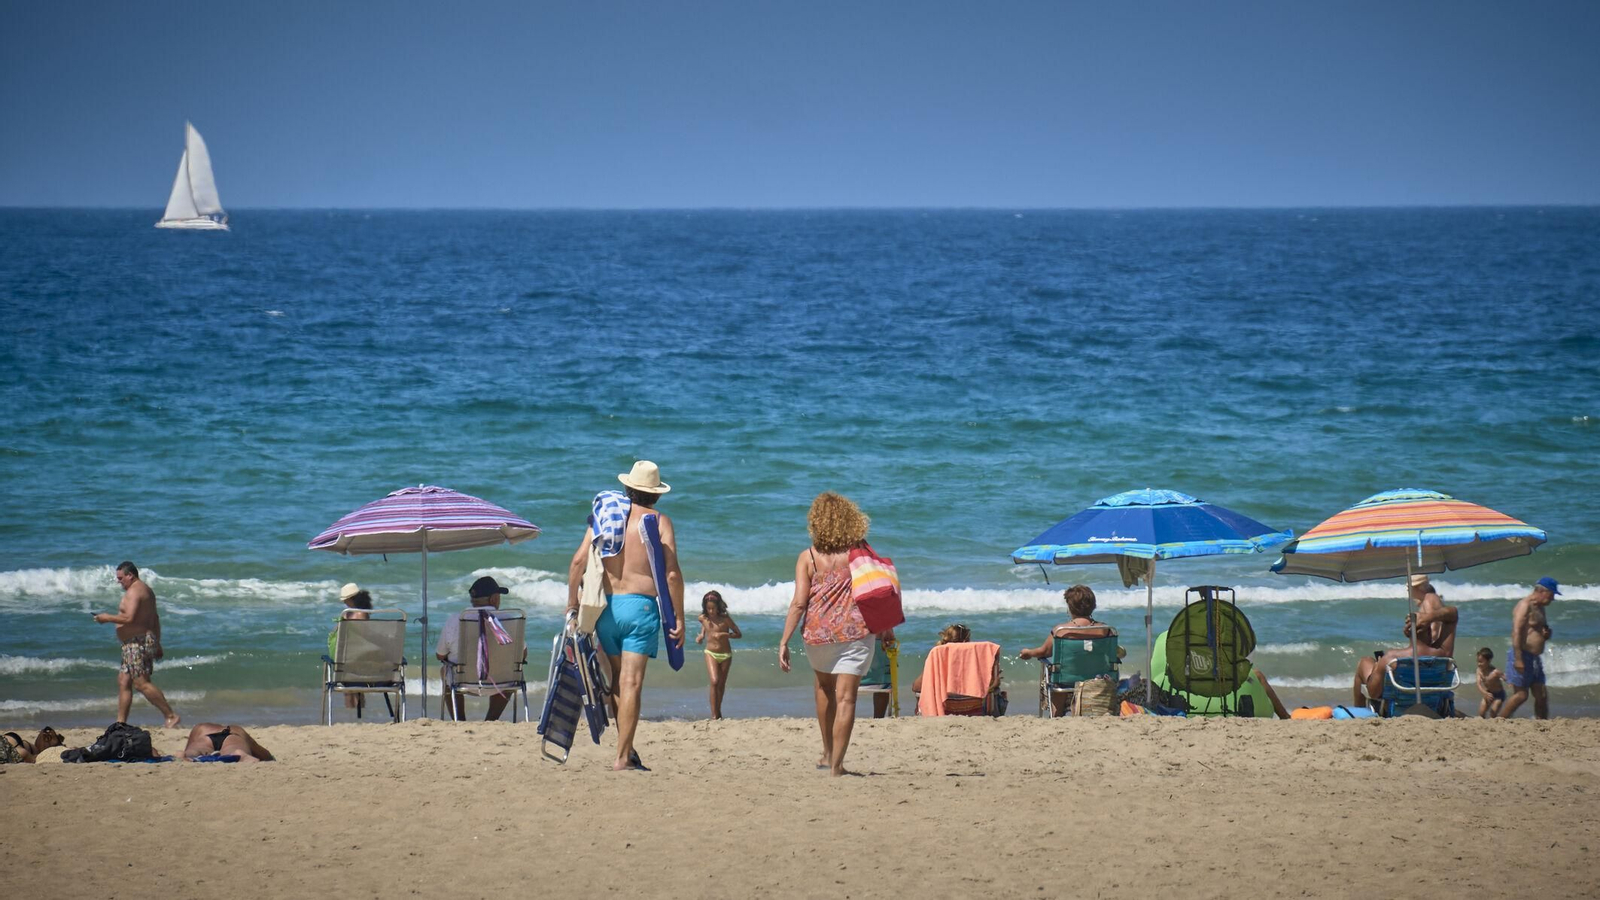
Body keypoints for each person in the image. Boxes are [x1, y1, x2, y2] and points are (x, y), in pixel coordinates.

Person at [565, 461, 685, 772]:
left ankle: (626, 749)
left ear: (628, 488)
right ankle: (621, 757)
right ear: (656, 494)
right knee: (632, 682)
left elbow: (577, 562)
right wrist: (679, 617)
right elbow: (672, 575)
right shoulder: (659, 521)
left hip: (606, 609)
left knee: (619, 680)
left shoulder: (606, 518)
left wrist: (572, 604)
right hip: (640, 608)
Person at [779, 491, 880, 777]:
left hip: (817, 635)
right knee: (847, 699)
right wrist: (887, 627)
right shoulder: (859, 552)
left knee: (824, 688)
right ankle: (837, 766)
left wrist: (784, 640)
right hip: (855, 634)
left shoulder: (808, 557)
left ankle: (827, 752)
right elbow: (877, 590)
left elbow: (799, 603)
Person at [92, 561, 180, 728]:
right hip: (137, 642)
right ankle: (120, 723)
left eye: (121, 578)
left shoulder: (134, 591)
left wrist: (106, 618)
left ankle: (171, 715)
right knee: (124, 681)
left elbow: (129, 618)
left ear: (130, 575)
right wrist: (157, 642)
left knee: (141, 683)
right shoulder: (145, 590)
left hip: (137, 643)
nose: (119, 582)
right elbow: (154, 618)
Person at [1352, 574, 1457, 708]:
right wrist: (1430, 617)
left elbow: (1373, 693)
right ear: (1429, 629)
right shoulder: (1444, 654)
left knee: (1365, 662)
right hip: (1434, 705)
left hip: (1399, 707)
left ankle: (1358, 710)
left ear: (1406, 632)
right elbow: (1453, 614)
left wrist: (1378, 668)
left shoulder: (1391, 658)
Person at [1018, 584, 1121, 716]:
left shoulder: (1061, 631)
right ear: (1093, 606)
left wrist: (1028, 652)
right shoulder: (1106, 630)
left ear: (1070, 607)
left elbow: (1044, 652)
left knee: (1056, 676)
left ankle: (1056, 715)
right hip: (1098, 681)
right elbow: (1113, 653)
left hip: (1066, 681)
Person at [436, 576, 516, 721]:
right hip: (500, 683)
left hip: (463, 682)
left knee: (445, 671)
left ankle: (459, 720)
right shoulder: (508, 619)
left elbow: (440, 655)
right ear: (493, 599)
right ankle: (491, 720)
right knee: (512, 671)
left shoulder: (455, 619)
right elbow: (521, 654)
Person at [1499, 577, 1559, 719]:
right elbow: (1516, 632)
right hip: (1522, 654)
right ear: (1542, 591)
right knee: (1521, 695)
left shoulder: (1541, 608)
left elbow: (1535, 630)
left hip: (1535, 657)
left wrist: (1546, 635)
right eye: (1551, 595)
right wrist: (1518, 658)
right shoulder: (1525, 605)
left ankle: (1542, 724)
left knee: (1541, 694)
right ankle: (1499, 721)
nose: (1553, 599)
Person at [695, 590, 741, 719]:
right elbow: (704, 625)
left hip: (726, 655)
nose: (711, 611)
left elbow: (738, 634)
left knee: (721, 685)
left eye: (713, 608)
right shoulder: (702, 618)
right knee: (714, 681)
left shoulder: (725, 619)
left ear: (718, 606)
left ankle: (718, 711)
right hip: (710, 653)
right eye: (708, 608)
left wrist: (724, 635)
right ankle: (714, 715)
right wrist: (701, 635)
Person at [329, 583, 375, 713]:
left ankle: (352, 714)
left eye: (345, 599)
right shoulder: (362, 613)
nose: (344, 602)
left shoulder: (351, 614)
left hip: (351, 660)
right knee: (355, 688)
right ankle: (358, 715)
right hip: (362, 659)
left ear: (351, 599)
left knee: (349, 687)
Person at [912, 623, 971, 694]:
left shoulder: (939, 657)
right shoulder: (972, 661)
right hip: (969, 699)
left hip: (943, 699)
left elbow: (916, 687)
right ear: (965, 642)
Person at [180, 723, 274, 763]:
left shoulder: (200, 727)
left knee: (194, 751)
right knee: (234, 750)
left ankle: (184, 755)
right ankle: (238, 754)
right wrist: (270, 758)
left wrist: (188, 753)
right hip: (233, 736)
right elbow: (261, 753)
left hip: (205, 735)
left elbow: (189, 746)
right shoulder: (237, 729)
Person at [1475, 647, 1507, 718]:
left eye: (1481, 662)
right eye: (1478, 661)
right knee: (1481, 713)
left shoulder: (1495, 672)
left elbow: (1506, 678)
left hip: (1499, 695)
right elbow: (1478, 684)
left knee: (1493, 712)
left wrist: (1511, 683)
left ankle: (1498, 719)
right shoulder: (1479, 671)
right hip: (1488, 693)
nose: (1479, 664)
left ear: (1489, 661)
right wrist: (1484, 693)